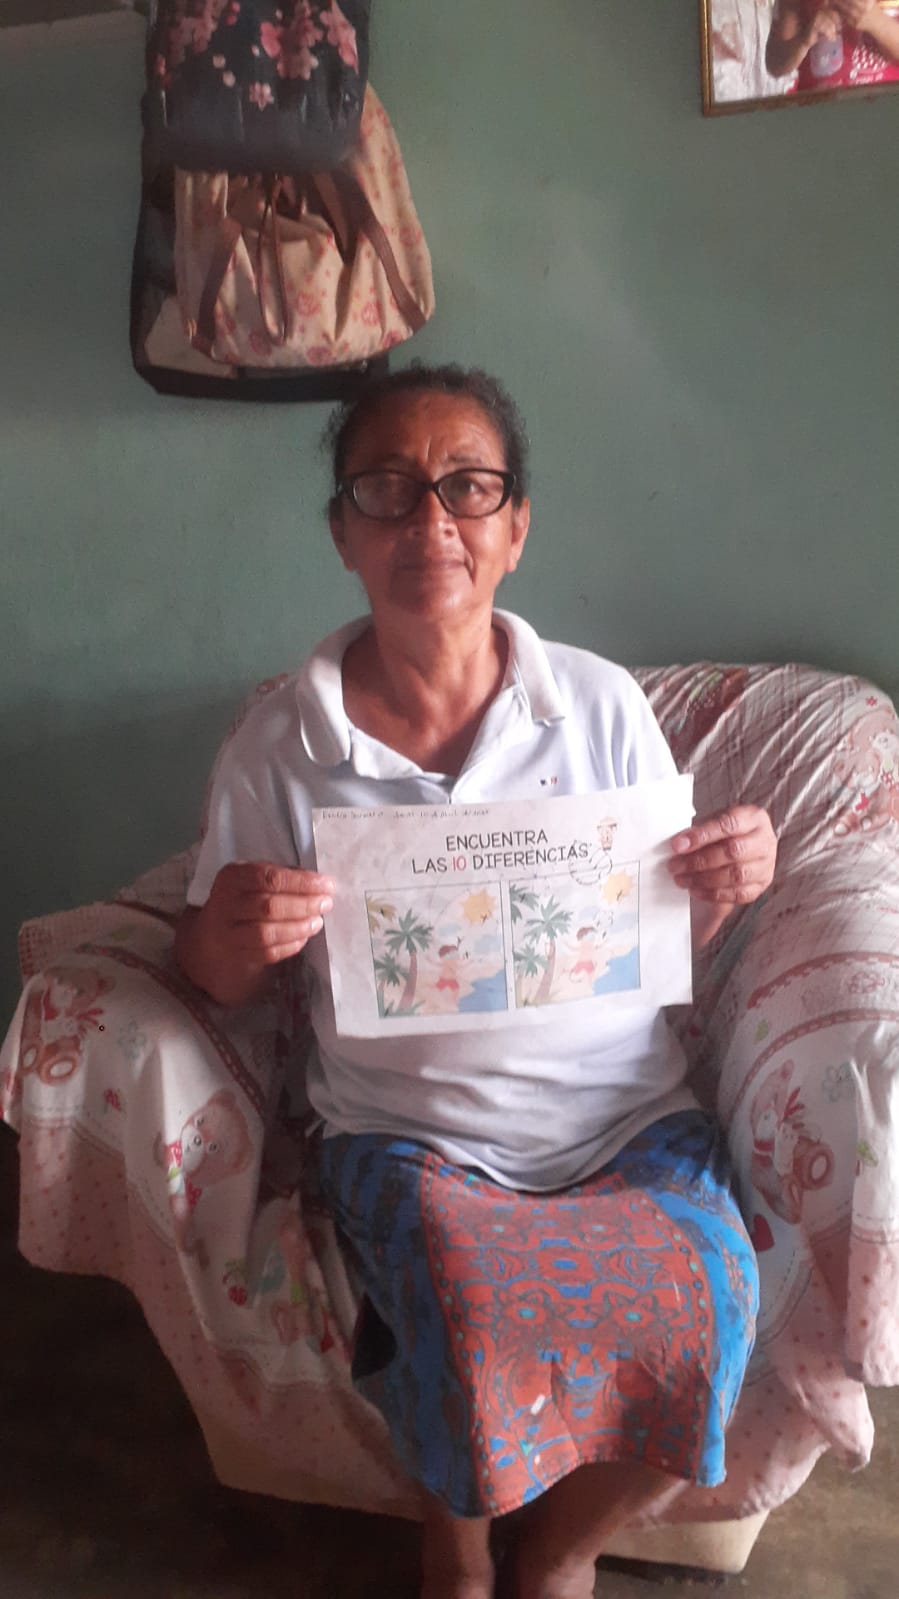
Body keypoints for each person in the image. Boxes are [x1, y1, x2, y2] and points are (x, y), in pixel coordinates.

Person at [175, 366, 777, 1599]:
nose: (428, 521)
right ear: (343, 531)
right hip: (410, 1133)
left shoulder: (598, 705)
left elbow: (667, 939)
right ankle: (453, 1548)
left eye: (467, 487)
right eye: (385, 489)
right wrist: (235, 930)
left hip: (626, 1119)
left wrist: (725, 881)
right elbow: (212, 975)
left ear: (515, 528)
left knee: (710, 1303)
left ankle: (559, 1549)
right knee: (460, 1309)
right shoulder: (282, 742)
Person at [766, 0, 899, 89]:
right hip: (820, 112)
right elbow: (775, 63)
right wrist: (804, 41)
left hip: (884, 111)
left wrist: (879, 24)